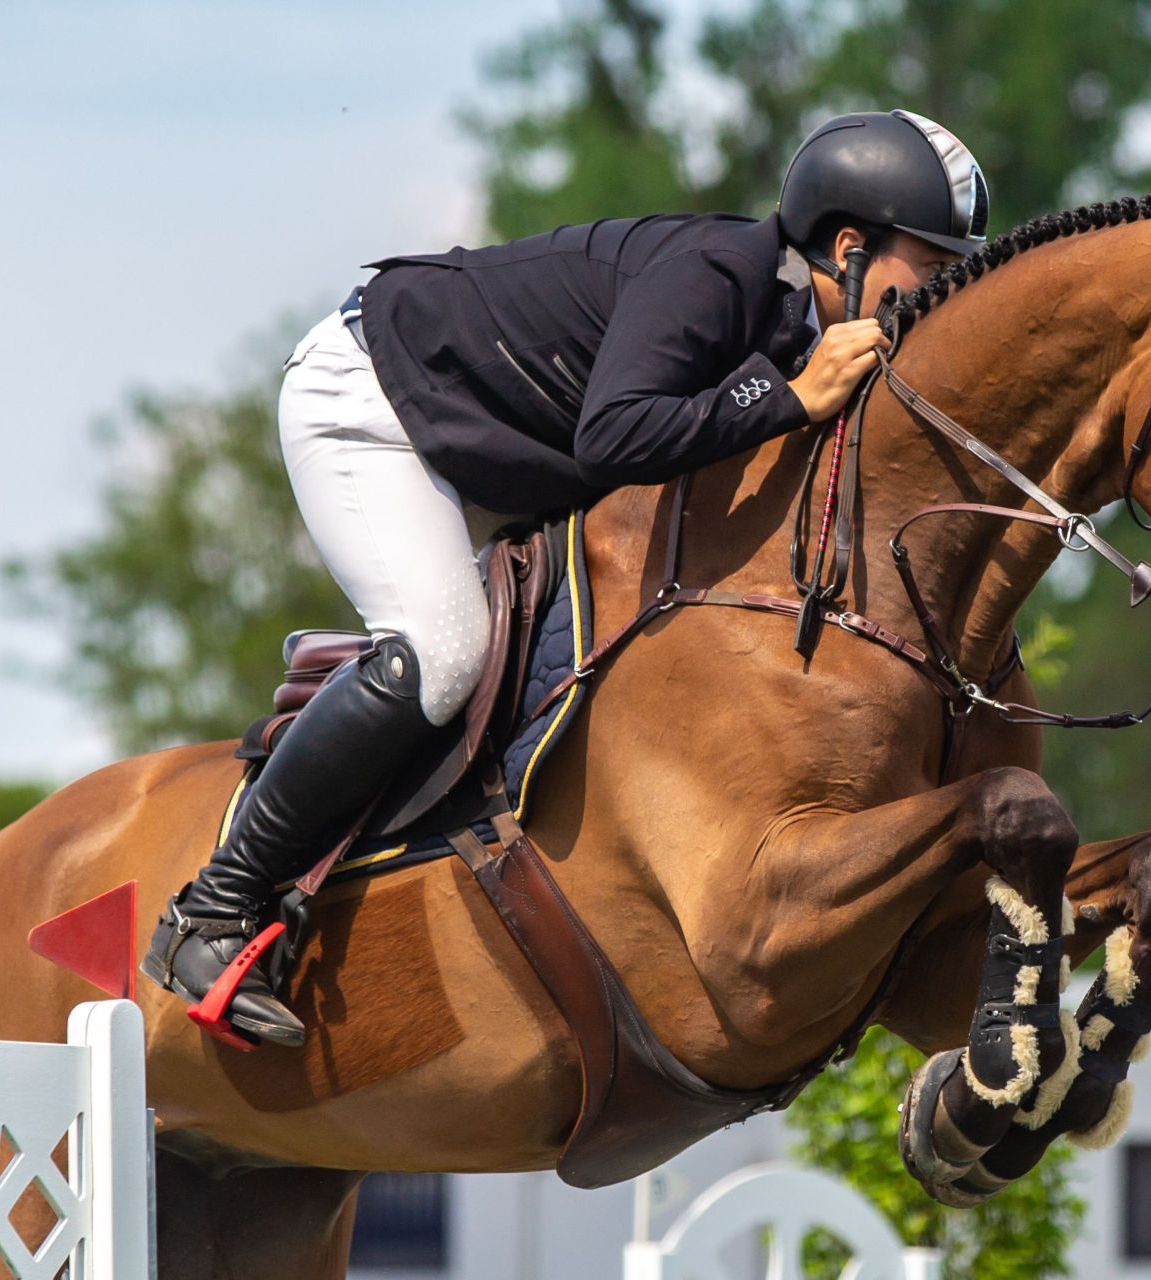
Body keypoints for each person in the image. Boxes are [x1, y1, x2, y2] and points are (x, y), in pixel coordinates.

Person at [139, 109, 992, 1047]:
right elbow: (615, 434)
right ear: (848, 247)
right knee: (443, 651)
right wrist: (789, 399)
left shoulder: (803, 326)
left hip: (493, 445)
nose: (947, 293)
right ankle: (212, 910)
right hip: (374, 402)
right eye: (937, 265)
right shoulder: (717, 275)